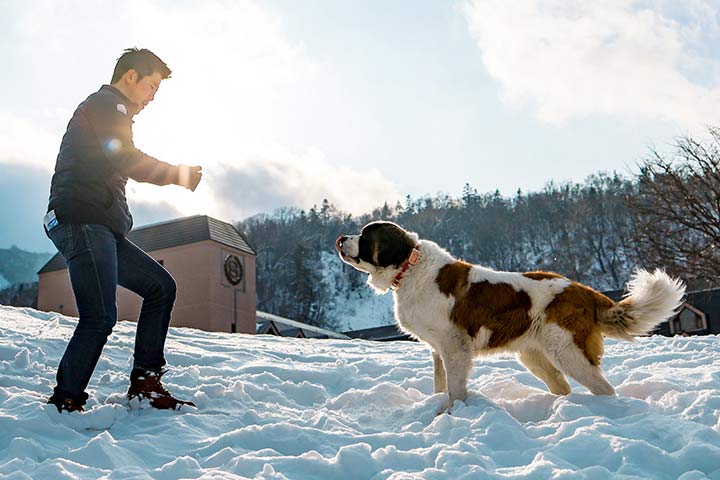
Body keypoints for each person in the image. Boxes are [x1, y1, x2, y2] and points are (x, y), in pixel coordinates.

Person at [44, 48, 202, 412]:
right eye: (151, 87)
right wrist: (177, 174)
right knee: (99, 316)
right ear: (130, 76)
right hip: (81, 221)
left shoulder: (113, 113)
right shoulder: (104, 105)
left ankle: (146, 383)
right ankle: (66, 399)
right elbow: (125, 158)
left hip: (100, 227)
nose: (151, 98)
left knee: (161, 287)